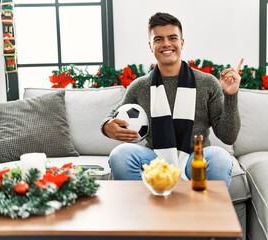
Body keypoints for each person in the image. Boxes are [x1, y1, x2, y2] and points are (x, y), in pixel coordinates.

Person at [101, 12, 242, 187]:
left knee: (220, 157)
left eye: (172, 38)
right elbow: (113, 117)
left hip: (195, 158)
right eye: (158, 39)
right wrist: (107, 126)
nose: (166, 44)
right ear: (150, 46)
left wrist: (231, 95)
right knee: (120, 154)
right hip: (154, 159)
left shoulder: (207, 83)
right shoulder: (139, 86)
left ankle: (205, 213)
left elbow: (228, 137)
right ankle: (142, 211)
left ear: (181, 42)